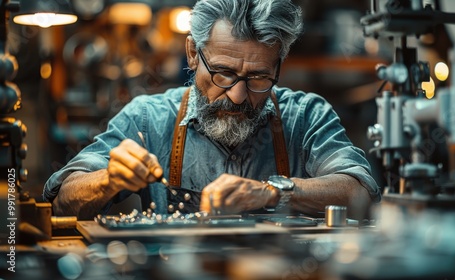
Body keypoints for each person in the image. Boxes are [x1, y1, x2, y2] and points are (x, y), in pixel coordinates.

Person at [43, 0, 381, 220]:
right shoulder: (147, 119)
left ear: (279, 64)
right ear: (193, 53)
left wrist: (274, 192)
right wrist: (107, 179)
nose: (237, 95)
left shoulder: (306, 117)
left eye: (259, 77)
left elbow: (360, 191)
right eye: (223, 73)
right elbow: (61, 200)